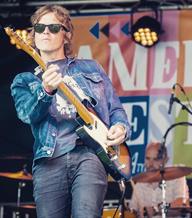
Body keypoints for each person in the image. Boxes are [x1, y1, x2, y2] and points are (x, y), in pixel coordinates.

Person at [10, 5, 131, 218]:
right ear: (33, 36)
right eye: (40, 28)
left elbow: (115, 109)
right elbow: (26, 115)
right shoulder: (24, 80)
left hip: (89, 154)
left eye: (54, 27)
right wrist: (45, 90)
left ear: (66, 35)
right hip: (49, 161)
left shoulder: (90, 68)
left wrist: (121, 127)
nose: (45, 32)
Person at [130, 142, 190, 218]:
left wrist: (156, 210)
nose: (150, 164)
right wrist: (137, 213)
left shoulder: (177, 177)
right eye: (147, 158)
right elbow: (132, 211)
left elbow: (181, 205)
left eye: (155, 159)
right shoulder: (140, 184)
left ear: (165, 160)